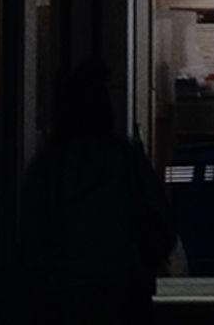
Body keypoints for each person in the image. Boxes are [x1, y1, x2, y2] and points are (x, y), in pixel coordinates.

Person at [20, 60, 175, 325]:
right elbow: (160, 225)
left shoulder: (49, 167)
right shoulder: (126, 160)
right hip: (123, 290)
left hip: (65, 293)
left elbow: (32, 236)